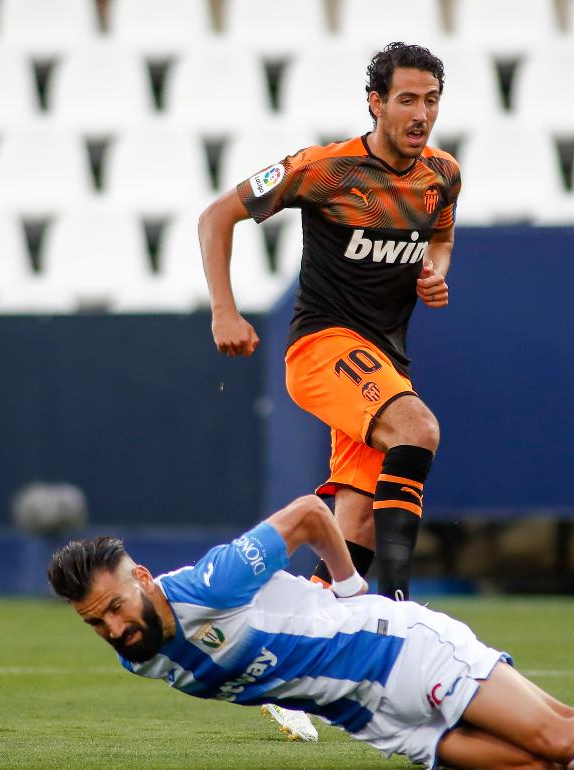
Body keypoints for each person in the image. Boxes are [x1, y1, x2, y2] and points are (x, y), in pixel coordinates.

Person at [46, 495, 574, 770]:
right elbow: (247, 667)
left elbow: (313, 513)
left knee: (556, 736)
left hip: (401, 652)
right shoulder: (140, 661)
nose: (115, 628)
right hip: (378, 724)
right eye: (97, 624)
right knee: (554, 768)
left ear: (140, 577)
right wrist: (277, 700)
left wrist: (354, 596)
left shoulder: (214, 581)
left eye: (115, 606)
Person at [198, 42, 458, 608]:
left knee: (359, 521)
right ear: (376, 103)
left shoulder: (441, 174)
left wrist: (434, 273)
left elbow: (440, 238)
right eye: (407, 100)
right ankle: (397, 613)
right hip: (322, 347)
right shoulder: (324, 169)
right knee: (418, 429)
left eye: (431, 101)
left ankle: (306, 661)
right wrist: (225, 308)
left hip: (382, 362)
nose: (421, 114)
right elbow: (217, 214)